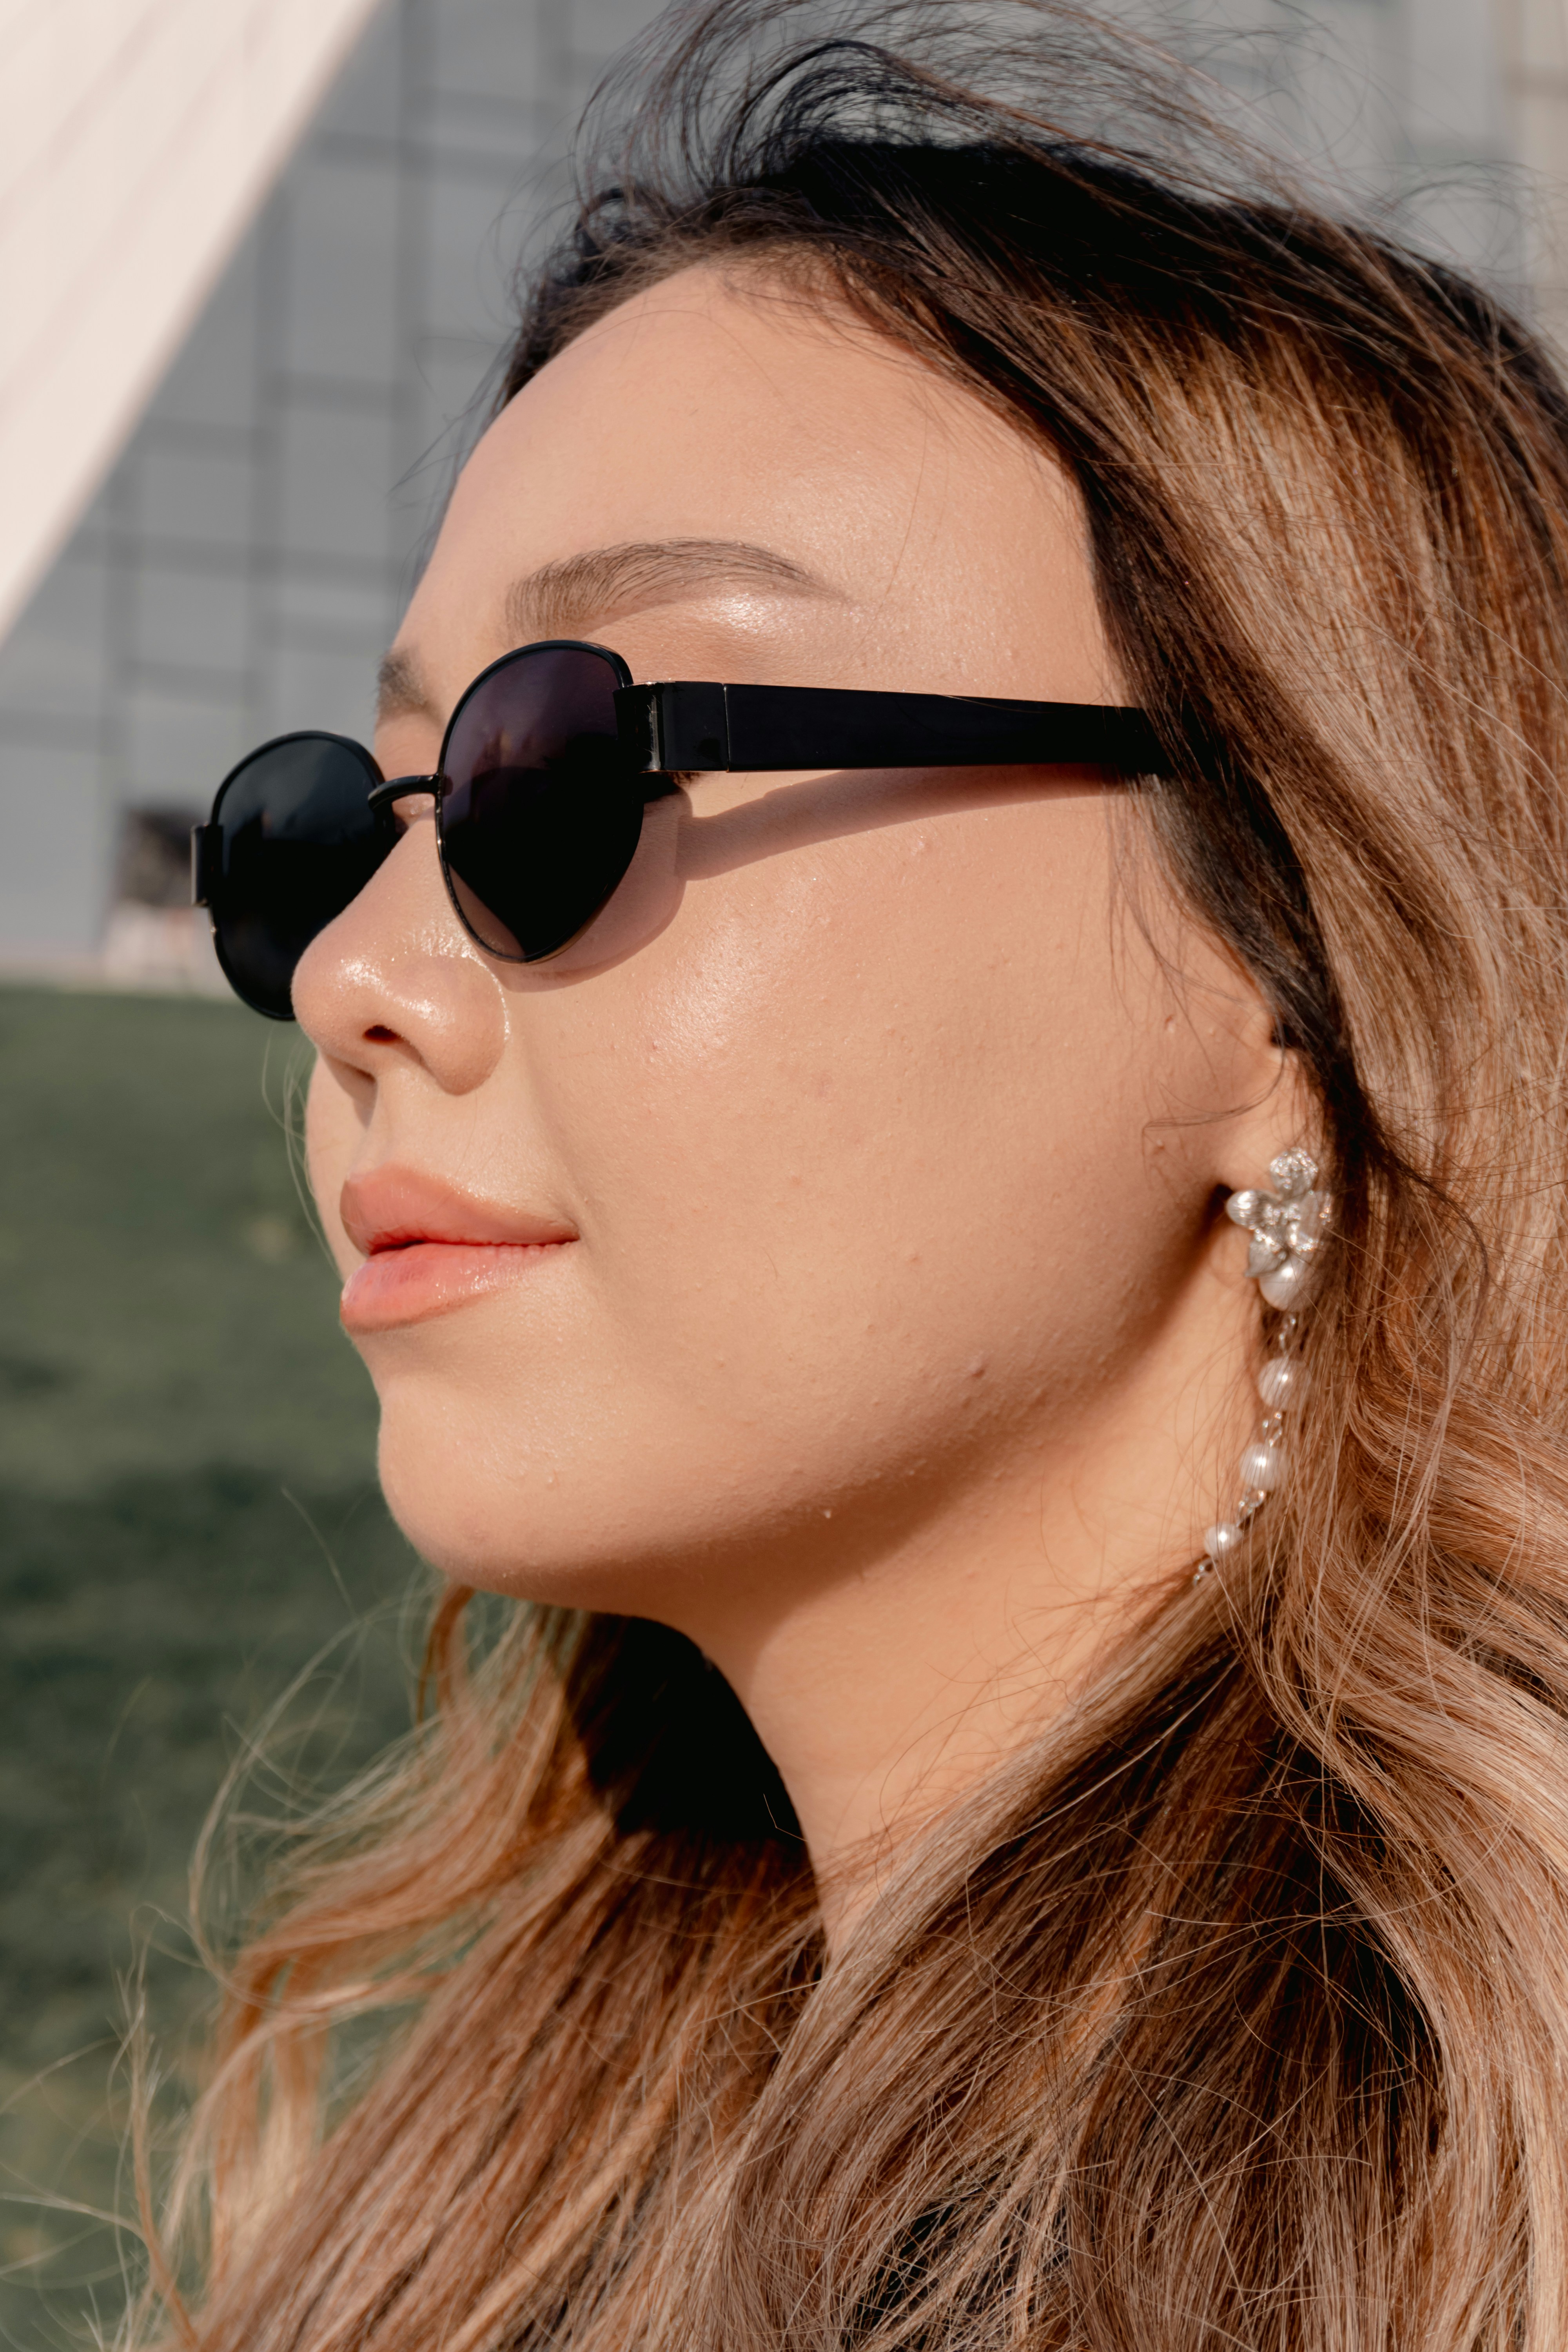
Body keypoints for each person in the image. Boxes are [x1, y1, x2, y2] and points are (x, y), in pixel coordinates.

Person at [151, 2, 1568, 2343]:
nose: (358, 976)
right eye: (346, 820)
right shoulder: (555, 2156)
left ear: (1289, 966)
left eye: (567, 775)